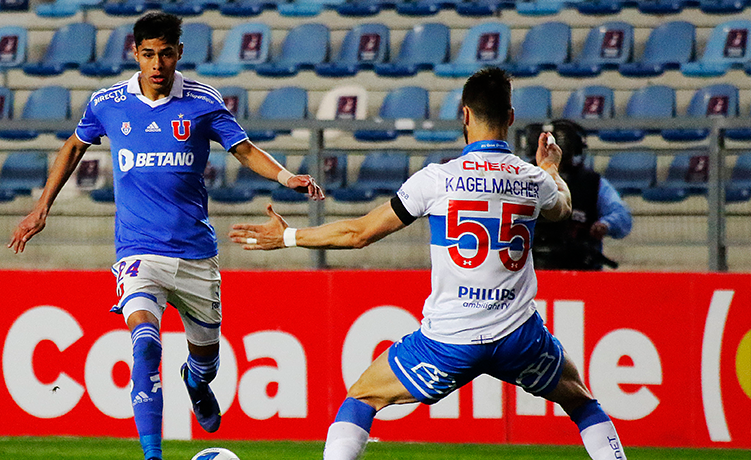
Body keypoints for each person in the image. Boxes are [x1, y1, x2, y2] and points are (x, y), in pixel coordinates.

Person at [229, 67, 627, 460]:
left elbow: (359, 234)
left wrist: (287, 236)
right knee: (582, 403)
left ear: (465, 114)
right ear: (509, 118)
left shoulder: (438, 179)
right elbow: (565, 208)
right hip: (518, 337)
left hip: (449, 340)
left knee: (361, 398)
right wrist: (551, 168)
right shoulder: (532, 179)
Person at [7, 12, 324, 460]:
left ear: (179, 54)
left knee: (207, 363)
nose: (158, 64)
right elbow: (75, 145)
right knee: (145, 346)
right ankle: (152, 456)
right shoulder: (108, 102)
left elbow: (244, 148)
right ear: (135, 53)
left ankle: (194, 380)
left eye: (167, 54)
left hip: (196, 254)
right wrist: (41, 207)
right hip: (139, 253)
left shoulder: (202, 101)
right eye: (149, 54)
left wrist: (287, 177)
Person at [523, 119, 632, 270]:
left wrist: (606, 224)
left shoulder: (591, 181)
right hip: (530, 269)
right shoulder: (522, 179)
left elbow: (622, 216)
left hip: (580, 268)